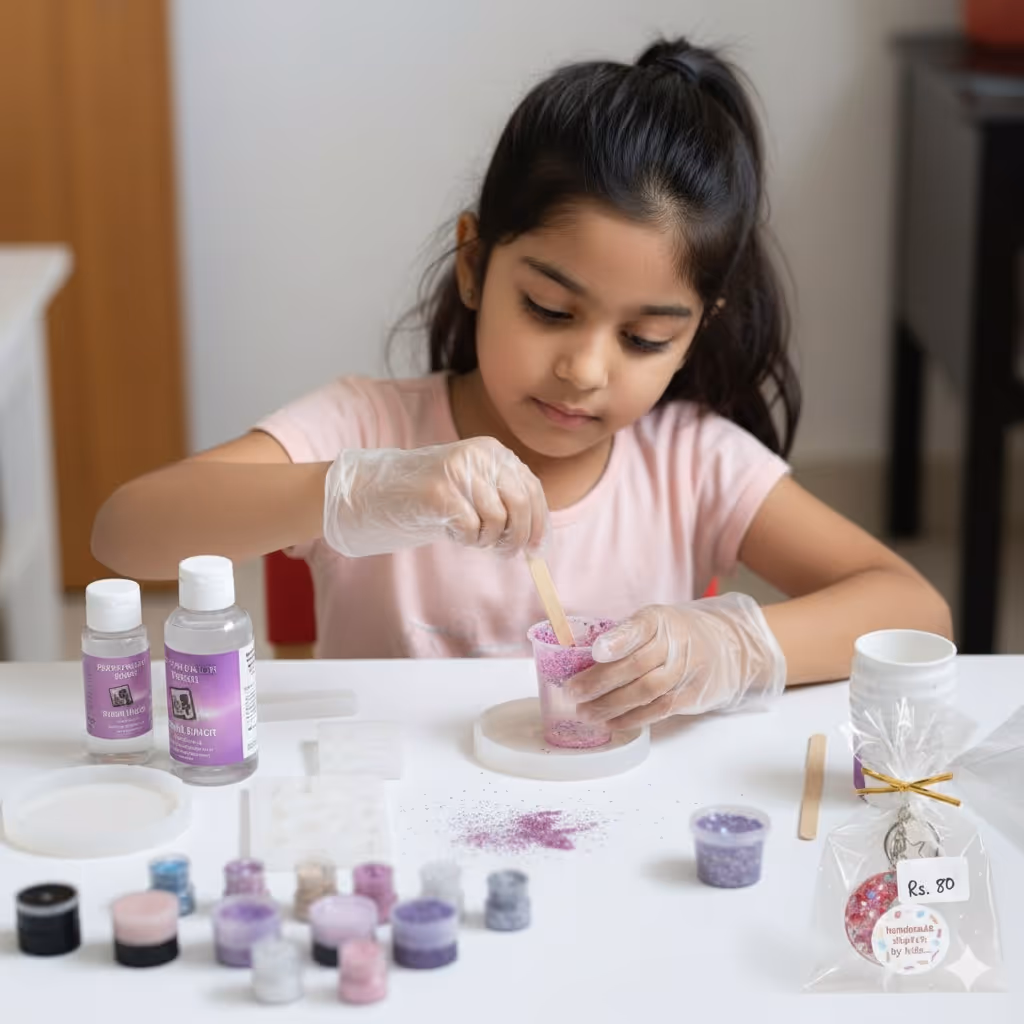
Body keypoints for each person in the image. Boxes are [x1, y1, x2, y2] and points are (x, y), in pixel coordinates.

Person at [92, 37, 951, 729]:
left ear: (696, 332)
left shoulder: (693, 466)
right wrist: (358, 488)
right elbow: (124, 533)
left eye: (646, 337)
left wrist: (729, 645)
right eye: (547, 308)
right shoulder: (367, 424)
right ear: (475, 263)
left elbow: (916, 612)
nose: (584, 369)